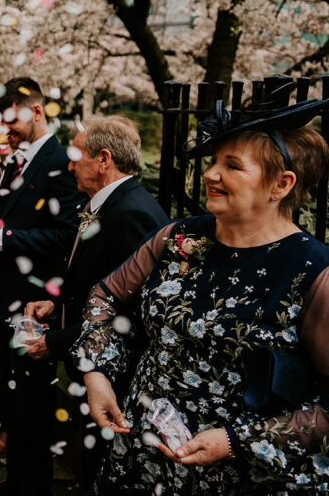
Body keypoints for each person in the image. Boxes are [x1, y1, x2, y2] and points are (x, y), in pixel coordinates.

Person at [79, 100, 329, 493]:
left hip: (238, 477)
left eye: (232, 166)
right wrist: (97, 373)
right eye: (213, 161)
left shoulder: (314, 273)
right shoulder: (177, 237)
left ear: (282, 184)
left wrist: (235, 440)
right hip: (139, 456)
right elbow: (106, 296)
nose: (210, 174)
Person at [22, 116, 168, 487]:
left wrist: (55, 340)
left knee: (102, 473)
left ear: (103, 160)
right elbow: (100, 280)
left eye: (76, 156)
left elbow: (132, 313)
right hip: (93, 366)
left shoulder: (133, 213)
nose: (69, 165)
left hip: (116, 379)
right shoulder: (108, 203)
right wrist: (57, 305)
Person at [0, 77, 86, 494]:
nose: (6, 132)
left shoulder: (61, 163)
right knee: (12, 400)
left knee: (34, 403)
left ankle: (32, 484)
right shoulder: (7, 160)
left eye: (13, 123)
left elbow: (65, 235)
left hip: (37, 303)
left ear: (37, 112)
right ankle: (15, 480)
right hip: (3, 297)